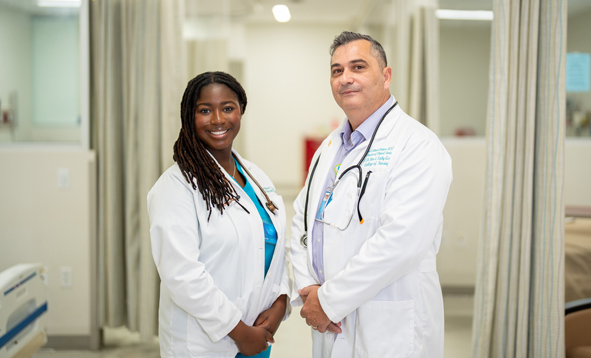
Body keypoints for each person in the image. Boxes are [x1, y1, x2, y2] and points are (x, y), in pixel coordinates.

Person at [290, 31, 453, 358]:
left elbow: (402, 240)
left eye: (358, 67)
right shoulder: (330, 147)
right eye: (337, 70)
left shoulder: (418, 145)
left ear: (386, 76)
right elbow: (302, 219)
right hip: (330, 321)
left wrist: (329, 300)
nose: (345, 78)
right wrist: (308, 287)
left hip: (387, 324)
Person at [148, 72, 290, 358]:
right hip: (209, 342)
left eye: (227, 108)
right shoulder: (175, 187)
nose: (217, 119)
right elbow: (183, 277)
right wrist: (240, 332)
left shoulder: (255, 176)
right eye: (204, 110)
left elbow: (273, 247)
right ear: (189, 117)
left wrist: (280, 303)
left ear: (240, 111)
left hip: (258, 334)